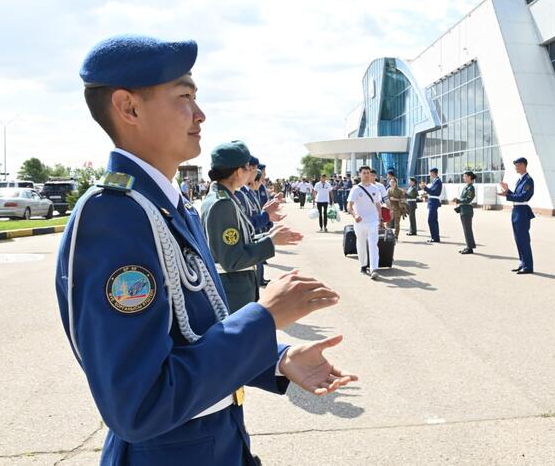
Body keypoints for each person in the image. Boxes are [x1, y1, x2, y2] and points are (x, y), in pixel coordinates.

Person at [56, 35, 356, 465]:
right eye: (185, 96)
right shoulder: (113, 218)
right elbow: (139, 404)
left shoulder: (172, 208)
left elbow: (196, 337)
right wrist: (264, 318)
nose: (200, 114)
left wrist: (277, 359)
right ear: (129, 108)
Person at [203, 142, 293, 311]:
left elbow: (240, 241)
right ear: (238, 172)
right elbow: (232, 259)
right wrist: (271, 242)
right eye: (247, 167)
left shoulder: (226, 198)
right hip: (232, 290)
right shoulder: (222, 204)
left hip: (236, 286)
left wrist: (269, 236)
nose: (251, 172)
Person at [498, 157, 535, 274]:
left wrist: (507, 195)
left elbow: (524, 197)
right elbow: (517, 195)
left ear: (523, 165)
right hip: (516, 210)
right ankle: (522, 262)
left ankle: (528, 266)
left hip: (522, 211)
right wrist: (508, 191)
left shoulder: (528, 180)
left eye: (517, 165)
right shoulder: (520, 180)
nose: (515, 167)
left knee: (523, 239)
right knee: (518, 239)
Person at [347, 166, 383, 280]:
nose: (366, 175)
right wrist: (355, 215)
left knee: (373, 244)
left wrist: (380, 219)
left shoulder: (375, 189)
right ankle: (363, 265)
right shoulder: (356, 189)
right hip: (360, 221)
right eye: (364, 173)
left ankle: (374, 269)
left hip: (373, 221)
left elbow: (378, 204)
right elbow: (349, 205)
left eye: (368, 173)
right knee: (361, 243)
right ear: (360, 174)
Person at [452, 171, 477, 254]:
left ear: (469, 177)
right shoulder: (467, 187)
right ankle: (469, 246)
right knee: (466, 229)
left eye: (465, 176)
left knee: (467, 230)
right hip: (464, 210)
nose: (463, 178)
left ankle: (469, 248)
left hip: (467, 211)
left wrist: (458, 200)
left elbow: (468, 199)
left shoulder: (471, 188)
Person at [420, 168, 442, 243]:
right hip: (432, 202)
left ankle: (435, 237)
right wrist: (426, 194)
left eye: (430, 173)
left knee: (431, 220)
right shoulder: (435, 181)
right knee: (434, 220)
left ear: (433, 173)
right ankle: (435, 237)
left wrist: (425, 188)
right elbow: (432, 192)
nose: (430, 175)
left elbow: (434, 192)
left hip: (434, 203)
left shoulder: (437, 181)